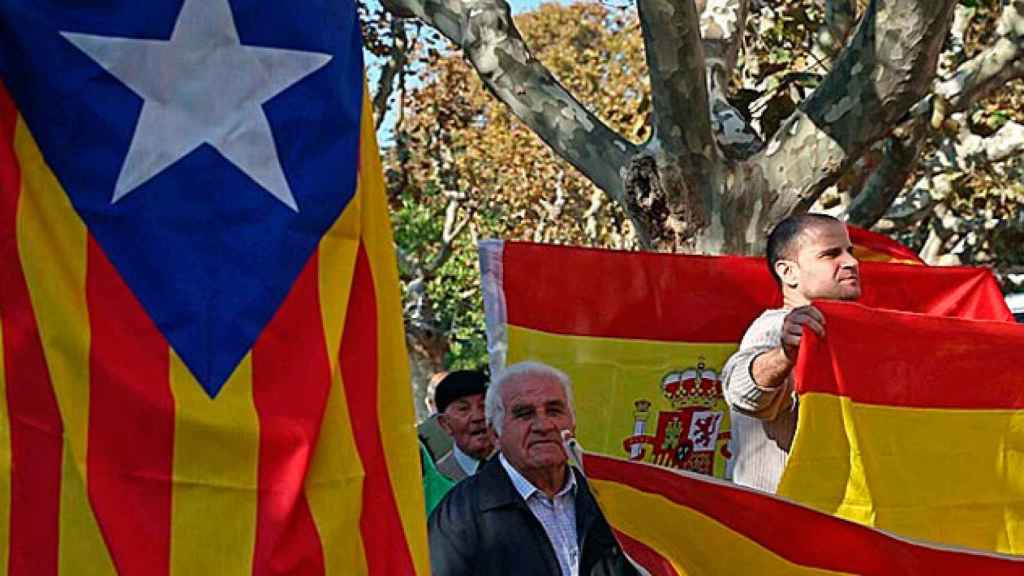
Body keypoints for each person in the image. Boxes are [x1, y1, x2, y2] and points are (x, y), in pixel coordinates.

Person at [428, 361, 637, 576]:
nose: (544, 426)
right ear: (495, 435)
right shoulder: (459, 517)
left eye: (554, 411)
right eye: (524, 414)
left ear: (573, 424)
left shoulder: (607, 502)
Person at [721, 213, 861, 493]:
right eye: (831, 254)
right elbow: (743, 393)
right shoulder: (775, 327)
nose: (851, 262)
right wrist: (784, 355)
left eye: (849, 251)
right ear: (788, 272)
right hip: (777, 524)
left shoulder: (841, 333)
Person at [433, 370, 495, 481]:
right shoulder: (437, 479)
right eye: (463, 409)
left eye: (484, 405)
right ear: (445, 424)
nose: (478, 417)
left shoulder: (519, 463)